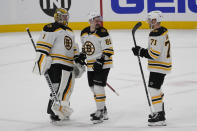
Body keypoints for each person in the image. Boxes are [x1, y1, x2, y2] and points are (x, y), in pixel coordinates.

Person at [32, 8, 85, 124]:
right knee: (56, 88)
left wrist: (78, 58)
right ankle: (53, 112)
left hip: (68, 64)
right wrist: (41, 62)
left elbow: (73, 47)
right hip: (56, 64)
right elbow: (43, 46)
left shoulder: (70, 31)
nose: (65, 19)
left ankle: (62, 109)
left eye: (66, 16)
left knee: (66, 89)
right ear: (57, 17)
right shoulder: (51, 28)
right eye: (63, 16)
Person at [132, 11, 172, 126]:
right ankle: (160, 112)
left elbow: (154, 54)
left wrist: (140, 52)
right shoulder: (163, 30)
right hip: (163, 64)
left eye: (150, 20)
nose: (149, 22)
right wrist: (141, 51)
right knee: (156, 88)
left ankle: (159, 116)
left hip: (159, 65)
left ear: (155, 20)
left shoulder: (155, 34)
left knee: (153, 89)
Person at [79, 10, 114, 124]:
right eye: (96, 20)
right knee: (92, 87)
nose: (99, 22)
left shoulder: (103, 32)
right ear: (90, 21)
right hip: (90, 65)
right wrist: (81, 56)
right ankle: (103, 109)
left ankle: (99, 111)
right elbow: (86, 49)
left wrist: (101, 60)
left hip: (103, 64)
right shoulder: (84, 32)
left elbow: (109, 50)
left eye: (100, 19)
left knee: (98, 86)